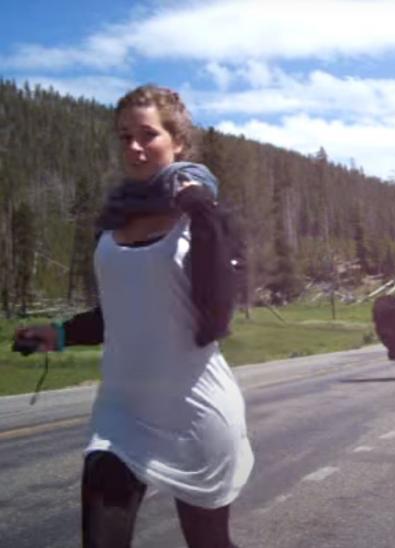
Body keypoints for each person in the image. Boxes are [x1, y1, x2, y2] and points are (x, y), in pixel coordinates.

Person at [14, 84, 254, 548]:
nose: (134, 147)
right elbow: (120, 313)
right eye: (124, 137)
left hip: (195, 410)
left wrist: (203, 214)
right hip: (121, 414)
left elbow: (219, 313)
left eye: (147, 134)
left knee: (209, 544)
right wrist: (59, 333)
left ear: (177, 141)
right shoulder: (113, 221)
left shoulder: (204, 218)